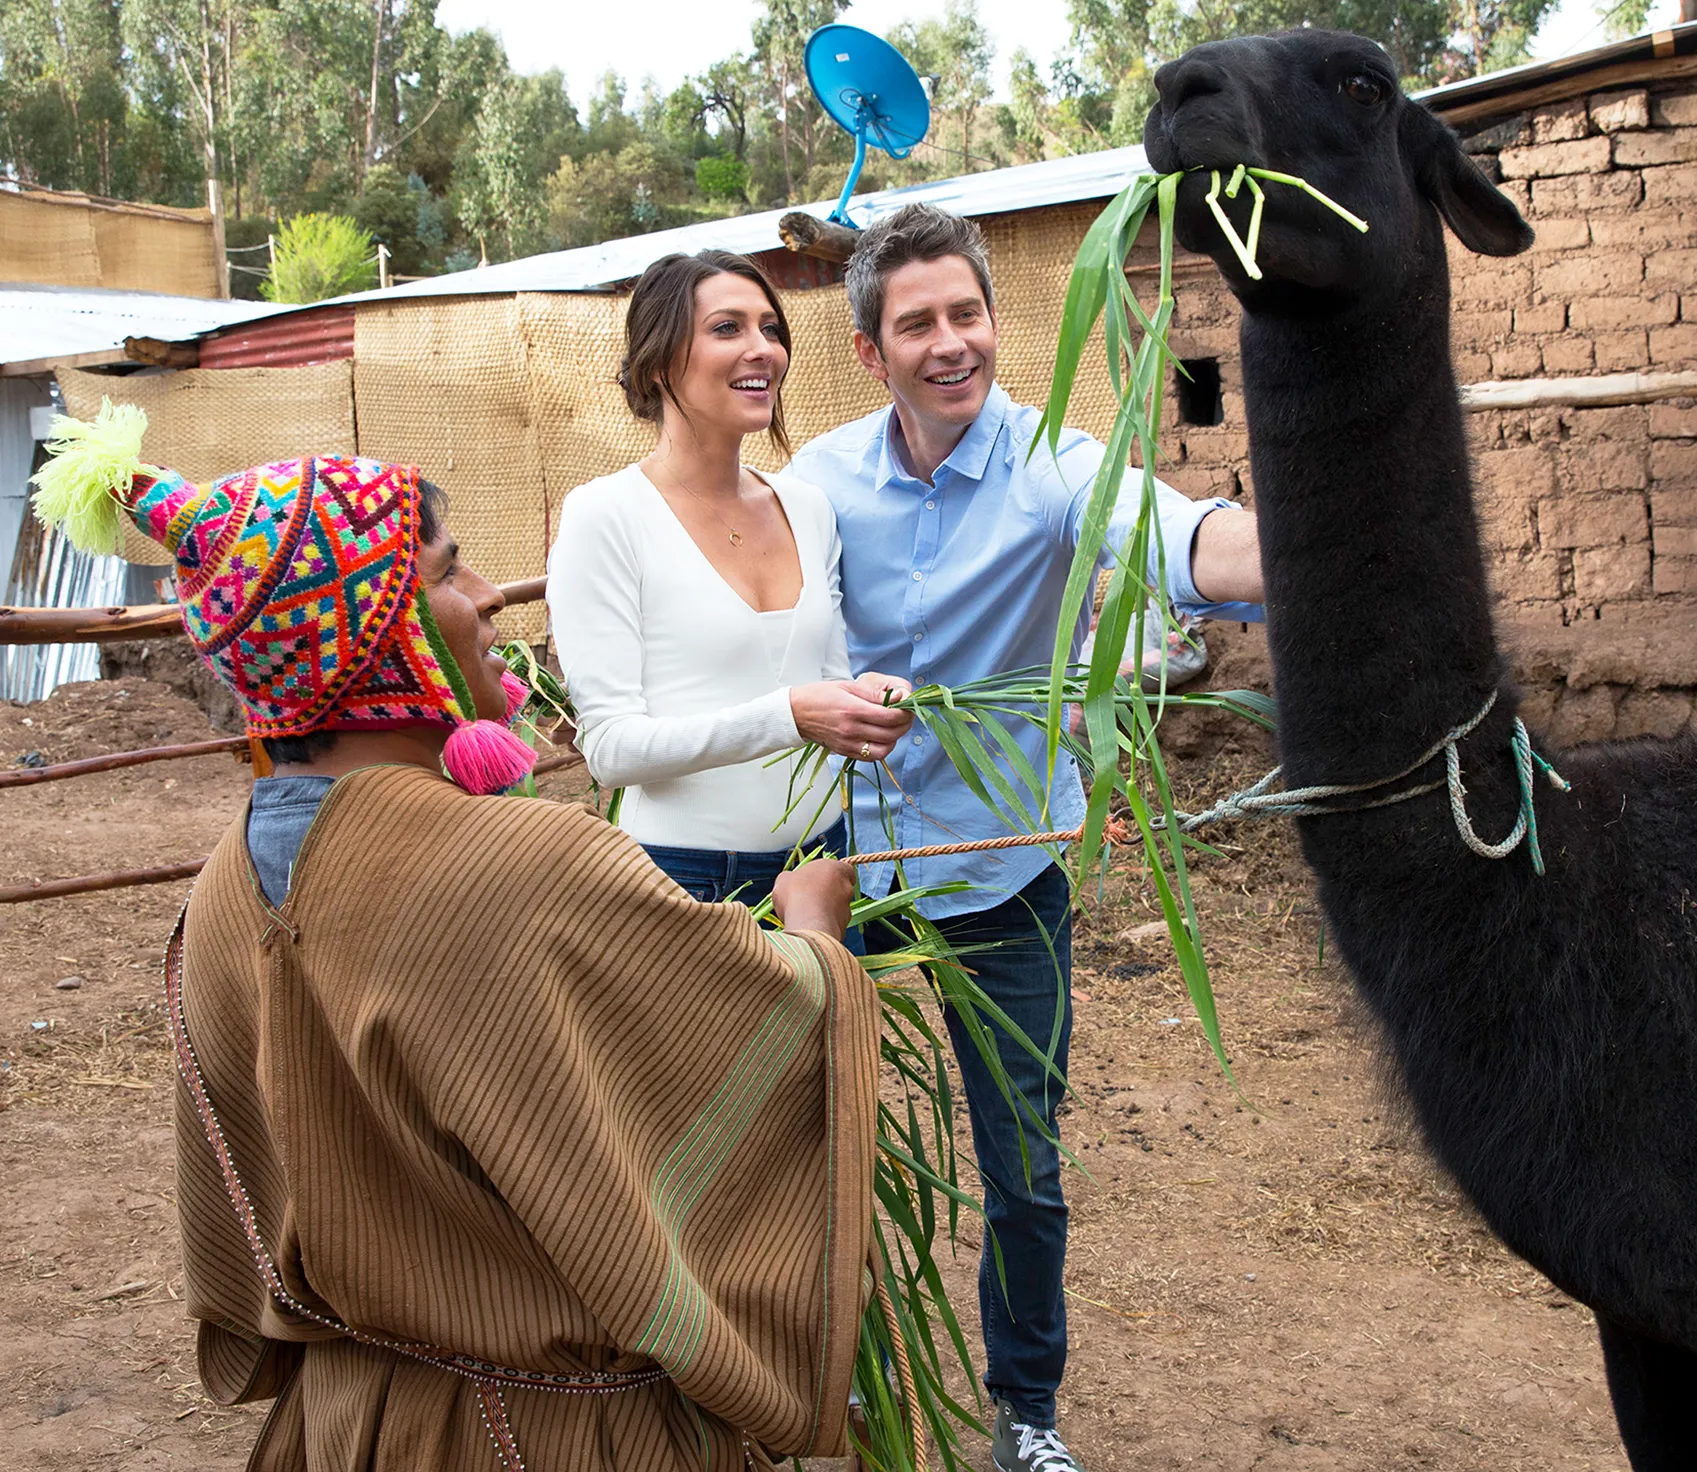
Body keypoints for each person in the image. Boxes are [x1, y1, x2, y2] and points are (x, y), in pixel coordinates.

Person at [31, 410, 878, 1470]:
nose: (485, 595)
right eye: (448, 568)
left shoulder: (217, 895)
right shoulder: (530, 866)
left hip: (351, 1426)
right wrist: (813, 941)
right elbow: (751, 1043)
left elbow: (236, 1204)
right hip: (565, 1434)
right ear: (376, 634)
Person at [786, 204, 1266, 1472]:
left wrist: (1306, 547)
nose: (951, 342)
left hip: (1002, 873)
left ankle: (1026, 1411)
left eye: (968, 313)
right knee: (818, 1142)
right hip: (850, 873)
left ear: (997, 322)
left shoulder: (1056, 461)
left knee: (1022, 1168)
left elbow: (1172, 537)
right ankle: (814, 1379)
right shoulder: (820, 483)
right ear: (866, 351)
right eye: (917, 322)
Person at [546, 250, 911, 909]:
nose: (762, 349)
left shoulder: (807, 507)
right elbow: (610, 750)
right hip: (684, 880)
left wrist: (863, 699)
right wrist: (791, 715)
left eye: (771, 329)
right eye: (727, 329)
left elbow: (822, 679)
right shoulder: (606, 516)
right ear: (658, 362)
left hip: (819, 867)